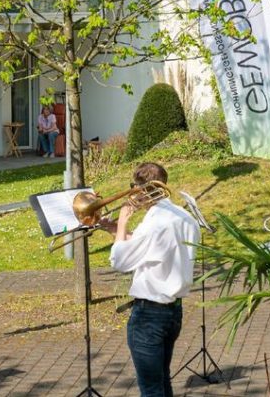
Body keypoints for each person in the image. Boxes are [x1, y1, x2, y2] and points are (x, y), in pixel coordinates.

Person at [101, 162, 201, 396]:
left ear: (142, 189)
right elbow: (149, 246)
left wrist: (123, 220)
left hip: (149, 315)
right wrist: (113, 230)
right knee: (162, 382)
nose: (133, 194)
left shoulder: (155, 222)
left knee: (151, 389)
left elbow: (120, 261)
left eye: (133, 187)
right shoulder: (184, 216)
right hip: (173, 312)